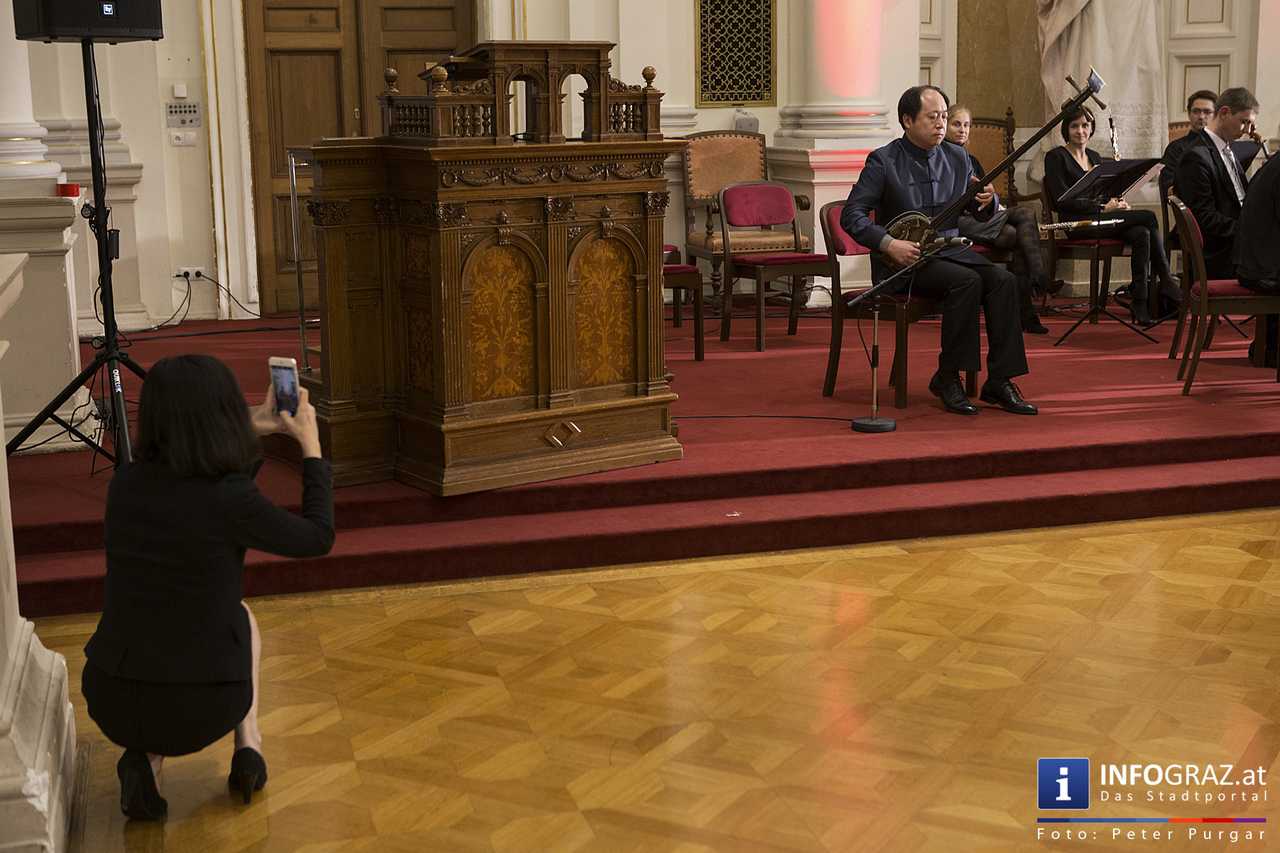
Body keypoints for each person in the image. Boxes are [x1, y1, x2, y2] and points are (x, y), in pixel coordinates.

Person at [82, 355, 335, 820]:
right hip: (207, 705)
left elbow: (197, 479)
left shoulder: (126, 486)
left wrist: (253, 427)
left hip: (111, 696)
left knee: (157, 621)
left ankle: (147, 761)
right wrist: (311, 446)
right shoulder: (230, 499)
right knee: (239, 615)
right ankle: (249, 745)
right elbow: (317, 537)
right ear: (221, 414)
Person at [842, 85, 1037, 416]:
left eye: (945, 117)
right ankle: (948, 377)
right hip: (901, 262)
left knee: (1003, 281)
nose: (941, 125)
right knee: (967, 281)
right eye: (932, 117)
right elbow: (852, 215)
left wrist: (989, 205)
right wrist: (889, 243)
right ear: (907, 120)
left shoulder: (958, 157)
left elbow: (973, 213)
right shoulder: (883, 161)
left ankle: (1000, 380)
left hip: (947, 251)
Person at [1043, 104, 1181, 326]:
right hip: (1077, 224)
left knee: (1141, 233)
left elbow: (1106, 193)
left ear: (1092, 127)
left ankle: (1141, 301)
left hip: (1103, 219)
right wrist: (1103, 208)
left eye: (1085, 125)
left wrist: (1118, 202)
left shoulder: (1095, 157)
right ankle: (1165, 278)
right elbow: (1061, 201)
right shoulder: (1055, 156)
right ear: (1066, 129)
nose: (1081, 131)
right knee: (1147, 217)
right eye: (1075, 126)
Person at [945, 105, 1049, 334]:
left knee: (1015, 234)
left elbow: (984, 202)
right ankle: (1039, 278)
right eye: (956, 124)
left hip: (980, 218)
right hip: (955, 221)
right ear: (945, 126)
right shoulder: (940, 157)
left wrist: (989, 195)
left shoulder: (971, 159)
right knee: (1025, 215)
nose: (962, 130)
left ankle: (1026, 309)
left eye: (966, 125)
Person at [1174, 87, 1260, 279]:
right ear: (1224, 113)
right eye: (1244, 122)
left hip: (1236, 246)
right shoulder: (1196, 156)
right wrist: (1248, 231)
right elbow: (1204, 219)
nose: (1247, 130)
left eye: (1250, 124)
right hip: (1219, 254)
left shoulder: (1226, 149)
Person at [1234, 152, 1280, 364]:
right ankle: (1271, 347)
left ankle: (1269, 345)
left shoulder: (1274, 163)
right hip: (1265, 270)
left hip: (1259, 262)